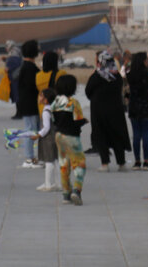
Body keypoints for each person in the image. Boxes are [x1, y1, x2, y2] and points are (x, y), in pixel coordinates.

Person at [85, 51, 130, 170]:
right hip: (116, 110)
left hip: (99, 110)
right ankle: (121, 163)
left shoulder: (97, 76)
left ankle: (105, 163)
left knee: (101, 135)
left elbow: (88, 91)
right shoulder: (117, 76)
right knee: (117, 135)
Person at [51, 73, 88, 205]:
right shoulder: (74, 103)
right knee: (79, 164)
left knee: (64, 165)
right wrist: (84, 121)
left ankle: (66, 194)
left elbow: (53, 119)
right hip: (72, 137)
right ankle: (76, 190)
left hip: (59, 136)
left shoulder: (54, 103)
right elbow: (77, 120)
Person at [125, 51, 148, 170]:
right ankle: (146, 162)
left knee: (136, 135)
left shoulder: (129, 75)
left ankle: (137, 161)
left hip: (133, 107)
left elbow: (126, 92)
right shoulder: (147, 75)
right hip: (146, 107)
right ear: (143, 61)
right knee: (146, 135)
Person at [14, 39, 41, 166]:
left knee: (31, 129)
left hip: (26, 103)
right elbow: (33, 85)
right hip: (30, 103)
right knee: (31, 130)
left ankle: (31, 157)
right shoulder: (30, 68)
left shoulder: (24, 66)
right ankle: (29, 158)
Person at [33, 87, 61, 191]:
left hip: (48, 139)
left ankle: (47, 184)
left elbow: (46, 127)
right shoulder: (54, 108)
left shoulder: (45, 111)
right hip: (55, 137)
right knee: (56, 161)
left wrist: (38, 135)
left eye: (41, 96)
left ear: (46, 99)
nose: (39, 98)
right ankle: (58, 183)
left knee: (48, 161)